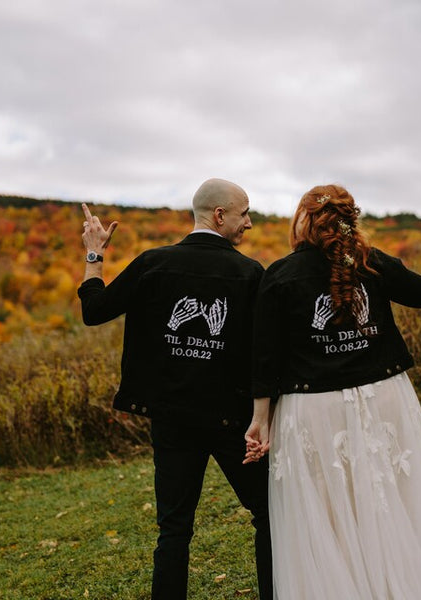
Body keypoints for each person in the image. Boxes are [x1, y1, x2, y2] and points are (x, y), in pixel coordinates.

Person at [244, 183, 421, 599]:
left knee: (329, 511)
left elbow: (264, 359)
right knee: (390, 497)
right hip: (384, 397)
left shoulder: (279, 275)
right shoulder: (371, 262)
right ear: (348, 219)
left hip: (313, 408)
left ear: (303, 219)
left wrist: (259, 421)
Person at [78, 178, 272, 600]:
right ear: (220, 216)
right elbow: (265, 355)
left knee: (174, 529)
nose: (250, 224)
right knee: (268, 515)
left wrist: (95, 255)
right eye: (245, 214)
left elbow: (93, 310)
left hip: (172, 420)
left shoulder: (154, 263)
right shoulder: (249, 273)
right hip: (233, 421)